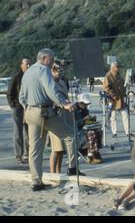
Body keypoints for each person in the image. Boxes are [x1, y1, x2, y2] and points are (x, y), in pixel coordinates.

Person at [19, 49, 82, 191]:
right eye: (51, 59)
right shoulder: (43, 70)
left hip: (30, 112)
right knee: (71, 135)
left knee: (35, 150)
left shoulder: (28, 72)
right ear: (44, 59)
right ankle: (72, 168)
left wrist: (28, 109)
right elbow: (51, 89)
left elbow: (21, 96)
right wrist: (64, 104)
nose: (53, 62)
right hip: (44, 112)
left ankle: (36, 181)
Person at [7, 58, 31, 165]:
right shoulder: (16, 77)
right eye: (26, 64)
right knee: (18, 132)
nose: (28, 66)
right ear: (21, 65)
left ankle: (28, 154)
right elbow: (9, 93)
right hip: (17, 108)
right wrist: (13, 105)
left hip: (29, 108)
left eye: (30, 63)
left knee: (29, 132)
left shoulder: (31, 76)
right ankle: (18, 155)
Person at [48, 62, 71, 174]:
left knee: (61, 149)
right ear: (52, 71)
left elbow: (65, 96)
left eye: (61, 71)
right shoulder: (49, 83)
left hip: (63, 116)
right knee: (56, 149)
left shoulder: (62, 82)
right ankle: (53, 173)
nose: (60, 73)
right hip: (54, 116)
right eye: (57, 71)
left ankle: (58, 171)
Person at [103, 62, 130, 138]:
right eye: (117, 67)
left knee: (125, 115)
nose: (118, 69)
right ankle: (114, 132)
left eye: (118, 67)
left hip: (120, 98)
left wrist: (124, 92)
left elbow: (122, 85)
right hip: (113, 99)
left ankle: (127, 131)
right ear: (113, 67)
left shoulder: (118, 75)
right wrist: (112, 94)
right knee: (113, 116)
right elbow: (106, 87)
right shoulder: (108, 76)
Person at [75, 93, 102, 164]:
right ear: (80, 102)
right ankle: (90, 155)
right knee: (91, 133)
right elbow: (74, 124)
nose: (86, 106)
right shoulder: (74, 110)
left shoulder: (85, 109)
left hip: (84, 128)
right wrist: (84, 120)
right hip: (76, 131)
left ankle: (94, 152)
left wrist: (92, 119)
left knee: (98, 131)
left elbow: (87, 121)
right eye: (85, 104)